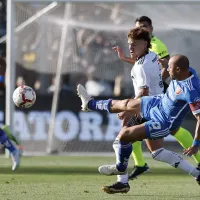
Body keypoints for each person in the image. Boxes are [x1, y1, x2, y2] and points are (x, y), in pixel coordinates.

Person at [77, 54, 200, 192]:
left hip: (163, 122)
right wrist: (166, 65)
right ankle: (90, 103)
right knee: (126, 104)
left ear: (178, 69)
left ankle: (121, 168)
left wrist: (195, 144)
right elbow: (176, 69)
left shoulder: (191, 90)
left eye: (170, 68)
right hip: (158, 103)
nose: (167, 70)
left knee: (125, 135)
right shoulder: (187, 71)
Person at [113, 16, 200, 180]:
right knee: (132, 131)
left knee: (166, 131)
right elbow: (145, 63)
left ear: (151, 28)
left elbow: (166, 65)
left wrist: (157, 82)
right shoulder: (142, 44)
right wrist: (125, 59)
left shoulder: (157, 45)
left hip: (159, 95)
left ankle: (133, 171)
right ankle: (138, 165)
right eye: (139, 26)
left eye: (145, 26)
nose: (142, 29)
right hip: (155, 94)